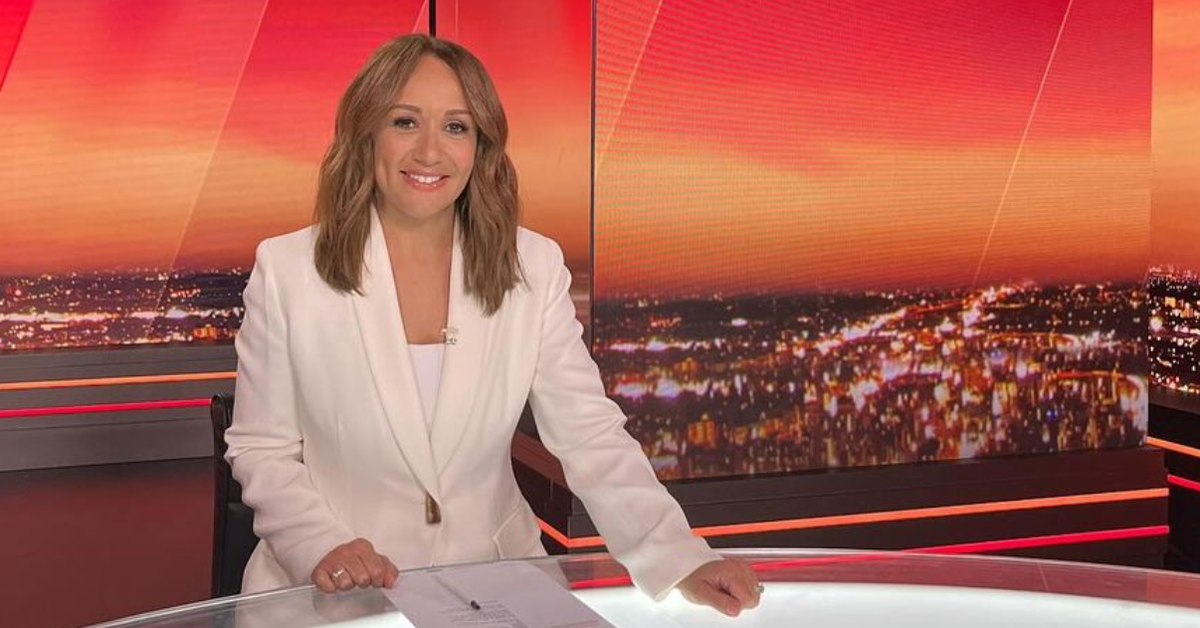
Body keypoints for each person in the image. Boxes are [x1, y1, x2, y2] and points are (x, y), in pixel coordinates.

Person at [224, 33, 761, 617]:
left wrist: (676, 555)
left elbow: (588, 432)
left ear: (480, 146)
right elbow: (262, 448)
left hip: (493, 585)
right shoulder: (288, 270)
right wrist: (320, 545)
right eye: (405, 122)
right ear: (366, 132)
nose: (430, 151)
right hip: (331, 599)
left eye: (456, 127)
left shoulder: (533, 266)